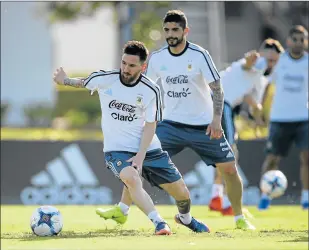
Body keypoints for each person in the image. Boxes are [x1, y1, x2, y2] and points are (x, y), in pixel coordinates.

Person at [98, 10, 255, 230]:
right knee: (138, 163)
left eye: (175, 30)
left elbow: (217, 89)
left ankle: (239, 218)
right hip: (169, 125)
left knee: (229, 168)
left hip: (204, 126)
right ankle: (122, 210)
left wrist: (216, 119)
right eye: (167, 30)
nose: (170, 34)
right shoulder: (158, 58)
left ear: (185, 31)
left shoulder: (200, 55)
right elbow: (142, 89)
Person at [53, 40, 209, 234]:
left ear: (143, 67)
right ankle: (159, 223)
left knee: (183, 195)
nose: (125, 69)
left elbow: (151, 125)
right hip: (116, 149)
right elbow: (83, 82)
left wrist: (141, 156)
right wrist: (64, 80)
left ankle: (185, 219)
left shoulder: (151, 90)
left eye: (132, 65)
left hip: (149, 148)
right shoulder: (106, 78)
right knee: (133, 179)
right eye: (124, 63)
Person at [209, 39, 284, 216]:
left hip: (219, 103)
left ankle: (216, 196)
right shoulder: (255, 63)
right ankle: (227, 203)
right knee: (230, 153)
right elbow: (248, 64)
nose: (269, 63)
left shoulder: (262, 78)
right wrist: (252, 59)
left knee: (224, 152)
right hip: (219, 102)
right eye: (267, 58)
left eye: (273, 60)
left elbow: (250, 100)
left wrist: (258, 117)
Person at [258, 25, 309, 210]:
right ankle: (265, 196)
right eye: (295, 39)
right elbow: (266, 86)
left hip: (303, 118)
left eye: (302, 39)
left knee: (306, 158)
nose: (298, 43)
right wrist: (260, 111)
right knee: (272, 158)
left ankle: (306, 197)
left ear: (306, 41)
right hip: (280, 118)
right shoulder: (280, 61)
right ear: (288, 41)